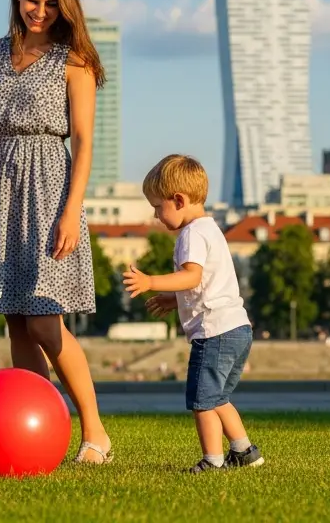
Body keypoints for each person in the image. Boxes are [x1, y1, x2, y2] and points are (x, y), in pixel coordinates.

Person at [0, 0, 113, 464]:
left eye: (49, 3)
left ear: (63, 5)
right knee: (16, 320)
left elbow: (86, 143)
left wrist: (73, 210)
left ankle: (95, 432)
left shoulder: (75, 61)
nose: (39, 11)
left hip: (50, 188)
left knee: (46, 319)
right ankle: (33, 432)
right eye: (31, 0)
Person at [123, 154, 264, 473]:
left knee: (202, 400)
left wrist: (150, 282)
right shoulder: (210, 228)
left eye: (158, 207)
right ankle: (245, 452)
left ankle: (212, 460)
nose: (156, 215)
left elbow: (192, 277)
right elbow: (205, 285)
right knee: (218, 398)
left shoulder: (191, 235)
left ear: (179, 200)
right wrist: (173, 300)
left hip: (215, 333)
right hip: (237, 328)